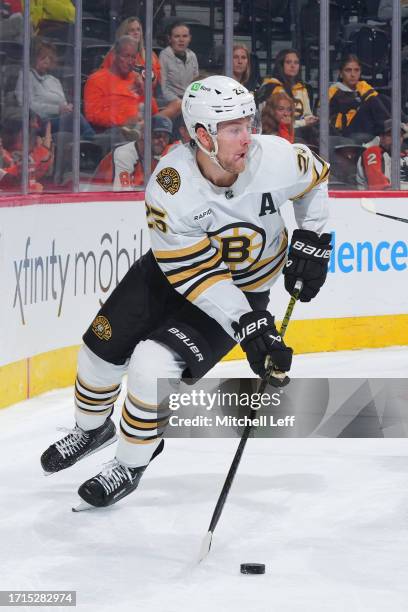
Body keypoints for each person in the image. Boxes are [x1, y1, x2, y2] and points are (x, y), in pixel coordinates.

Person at [40, 75, 332, 510]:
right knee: (98, 352)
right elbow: (195, 274)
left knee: (149, 366)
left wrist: (314, 237)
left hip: (243, 288)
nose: (247, 138)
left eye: (248, 124)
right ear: (201, 135)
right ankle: (91, 428)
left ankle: (131, 461)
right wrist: (248, 326)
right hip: (173, 275)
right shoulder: (170, 186)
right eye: (233, 129)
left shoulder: (274, 157)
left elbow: (316, 178)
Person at [15, 39, 95, 139]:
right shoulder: (26, 76)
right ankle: (92, 139)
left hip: (58, 119)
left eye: (50, 58)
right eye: (43, 57)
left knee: (75, 115)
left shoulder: (54, 81)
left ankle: (89, 143)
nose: (47, 60)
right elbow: (28, 105)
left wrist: (67, 107)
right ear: (34, 58)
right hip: (39, 122)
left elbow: (63, 103)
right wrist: (57, 109)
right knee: (75, 118)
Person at [84, 35, 159, 132]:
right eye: (126, 56)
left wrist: (144, 91)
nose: (130, 61)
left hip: (142, 128)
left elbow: (154, 112)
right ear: (115, 55)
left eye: (133, 57)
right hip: (114, 132)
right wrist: (124, 121)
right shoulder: (96, 80)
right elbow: (92, 115)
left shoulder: (137, 79)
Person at [90, 115, 178, 190]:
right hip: (97, 204)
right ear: (144, 134)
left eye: (166, 137)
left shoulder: (155, 158)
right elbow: (122, 194)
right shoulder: (124, 155)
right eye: (157, 135)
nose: (161, 141)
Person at [329, 55, 391, 139]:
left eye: (356, 70)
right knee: (372, 100)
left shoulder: (362, 86)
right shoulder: (333, 90)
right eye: (348, 70)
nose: (353, 74)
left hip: (366, 126)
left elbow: (378, 102)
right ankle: (393, 129)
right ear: (340, 73)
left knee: (383, 98)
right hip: (345, 131)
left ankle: (402, 124)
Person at [258, 49, 318, 134]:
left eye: (296, 63)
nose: (293, 66)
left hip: (300, 131)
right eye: (288, 62)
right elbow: (270, 122)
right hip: (275, 134)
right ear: (281, 65)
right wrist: (303, 123)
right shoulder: (270, 87)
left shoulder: (302, 88)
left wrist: (311, 120)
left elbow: (307, 115)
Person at [101, 16, 161, 88]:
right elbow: (109, 80)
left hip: (148, 97)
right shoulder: (114, 55)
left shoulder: (150, 55)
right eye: (132, 30)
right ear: (125, 34)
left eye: (138, 30)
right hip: (123, 95)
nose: (136, 33)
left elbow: (159, 82)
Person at [159, 21, 199, 116]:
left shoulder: (192, 56)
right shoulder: (164, 56)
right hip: (171, 102)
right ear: (170, 39)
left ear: (190, 38)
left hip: (190, 101)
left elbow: (197, 84)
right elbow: (163, 88)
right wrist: (180, 102)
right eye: (177, 36)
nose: (181, 40)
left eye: (185, 36)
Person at [356, 118, 408, 190]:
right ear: (381, 137)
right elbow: (378, 185)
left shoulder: (402, 156)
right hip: (372, 199)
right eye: (390, 135)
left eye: (400, 135)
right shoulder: (372, 152)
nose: (397, 139)